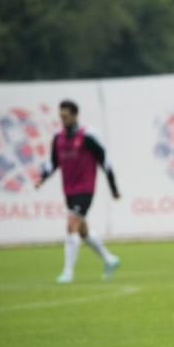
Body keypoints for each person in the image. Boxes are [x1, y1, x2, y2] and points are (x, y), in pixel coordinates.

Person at [35, 100, 121, 283]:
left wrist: (113, 187)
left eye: (66, 116)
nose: (63, 119)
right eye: (61, 116)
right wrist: (42, 178)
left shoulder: (87, 136)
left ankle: (67, 273)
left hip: (85, 188)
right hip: (68, 189)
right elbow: (54, 163)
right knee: (83, 232)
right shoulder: (57, 138)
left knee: (71, 225)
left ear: (75, 115)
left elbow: (105, 161)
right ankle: (109, 259)